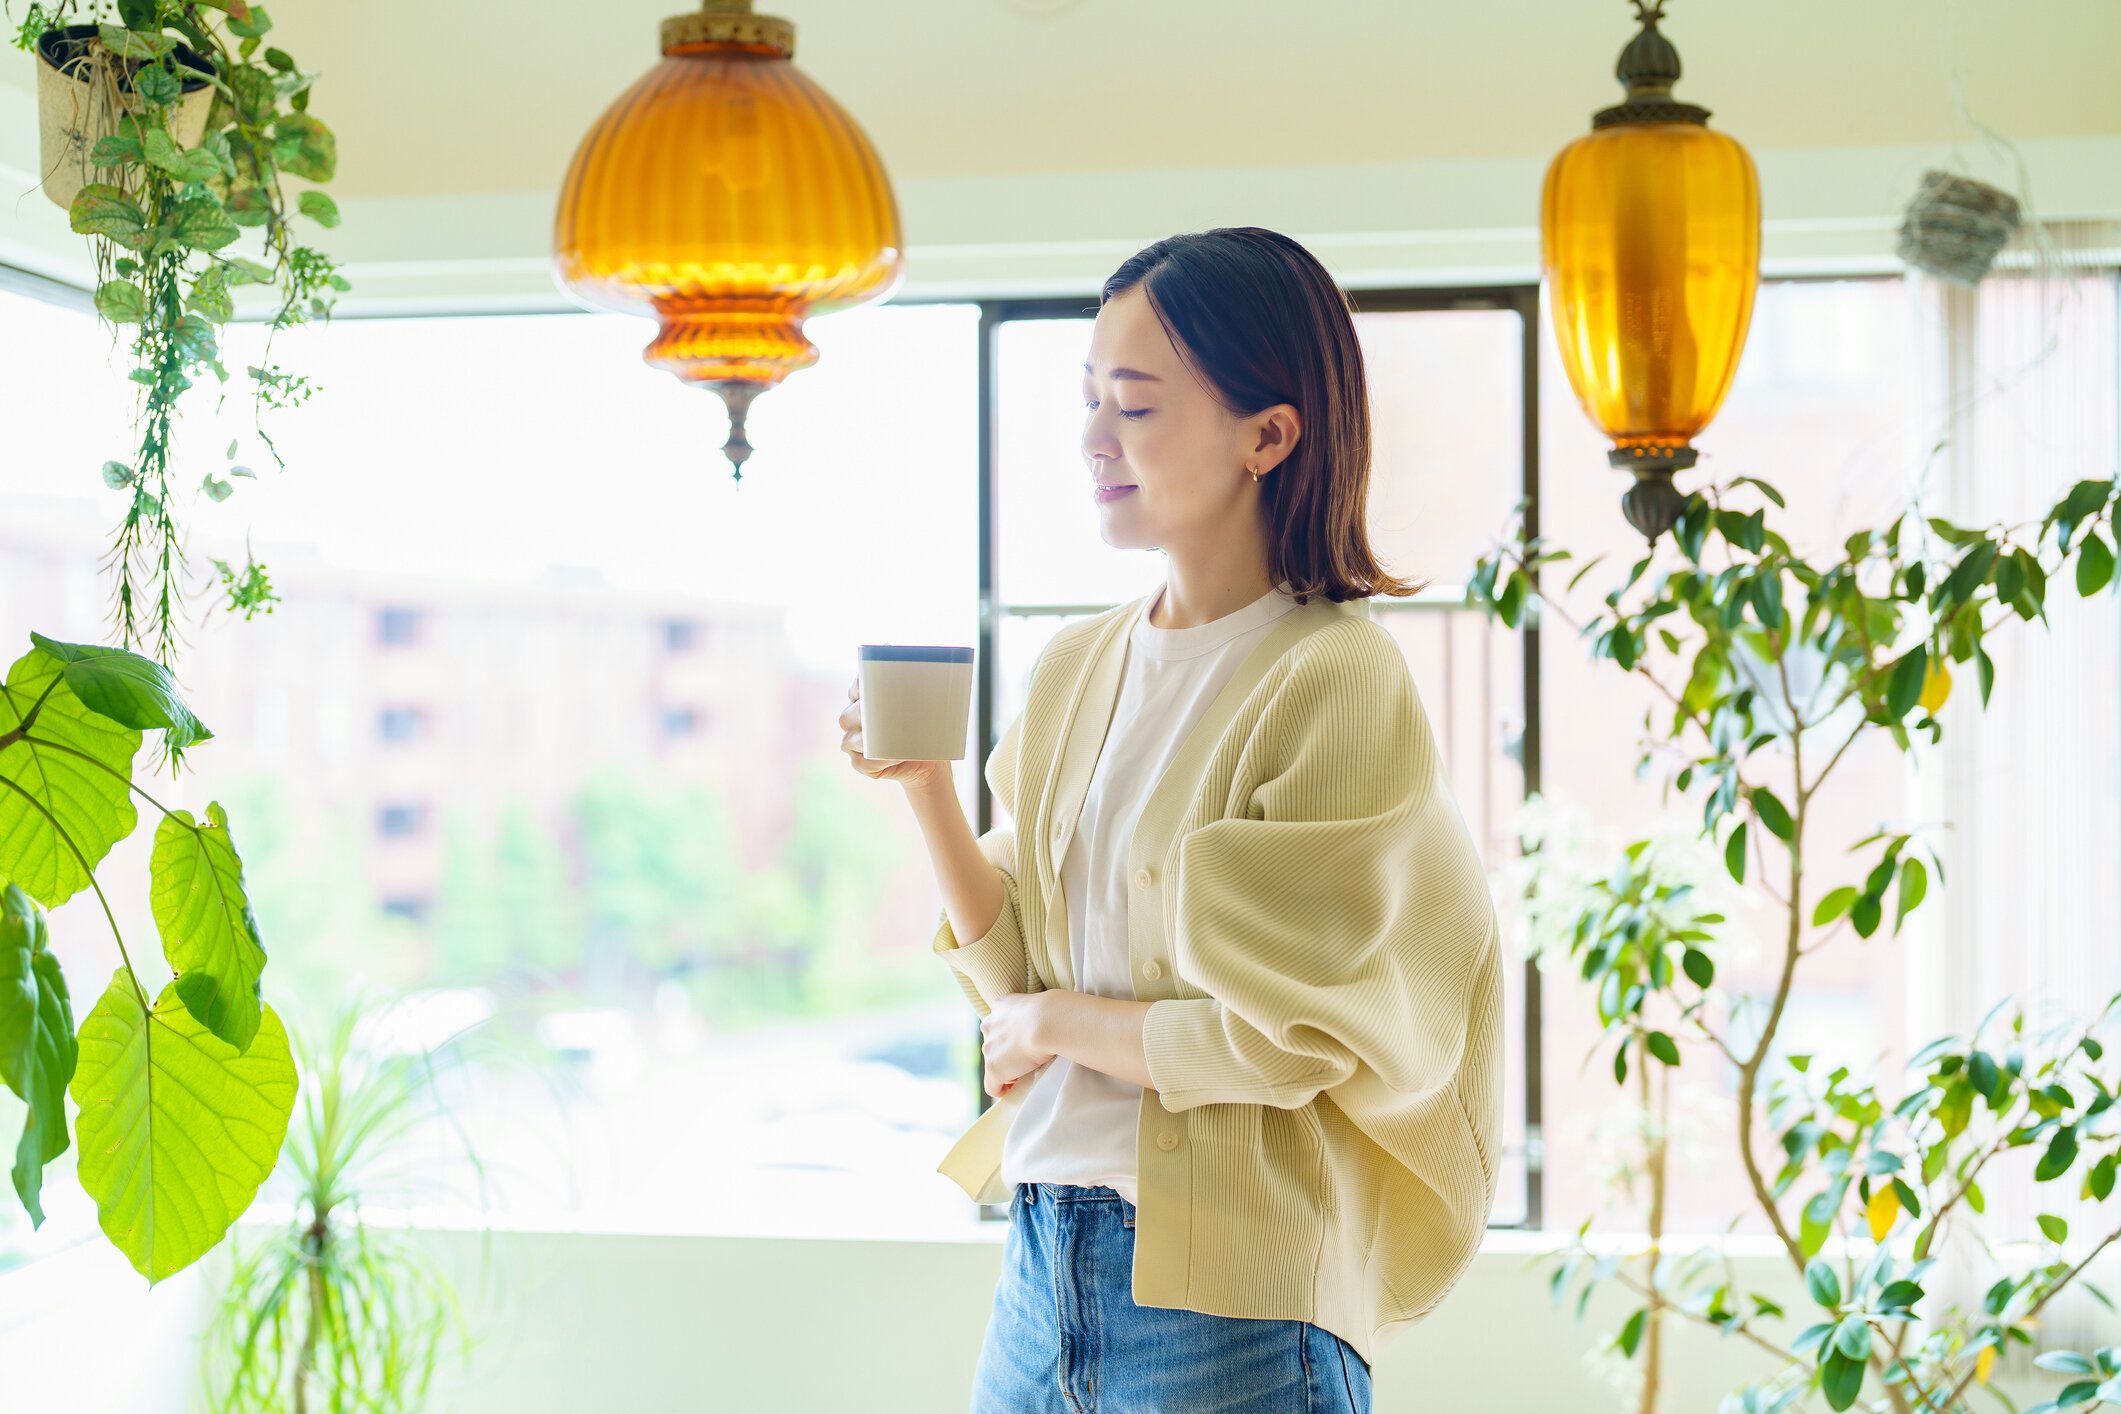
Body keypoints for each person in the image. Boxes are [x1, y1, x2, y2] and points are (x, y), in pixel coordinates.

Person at [839, 227, 1503, 1413]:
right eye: (1089, 398)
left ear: (1269, 433)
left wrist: (1055, 1018)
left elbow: (1286, 1039)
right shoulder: (1076, 663)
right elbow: (1017, 981)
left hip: (1232, 1308)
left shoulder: (1333, 676)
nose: (1094, 438)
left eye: (1134, 405)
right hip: (1040, 1272)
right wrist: (927, 788)